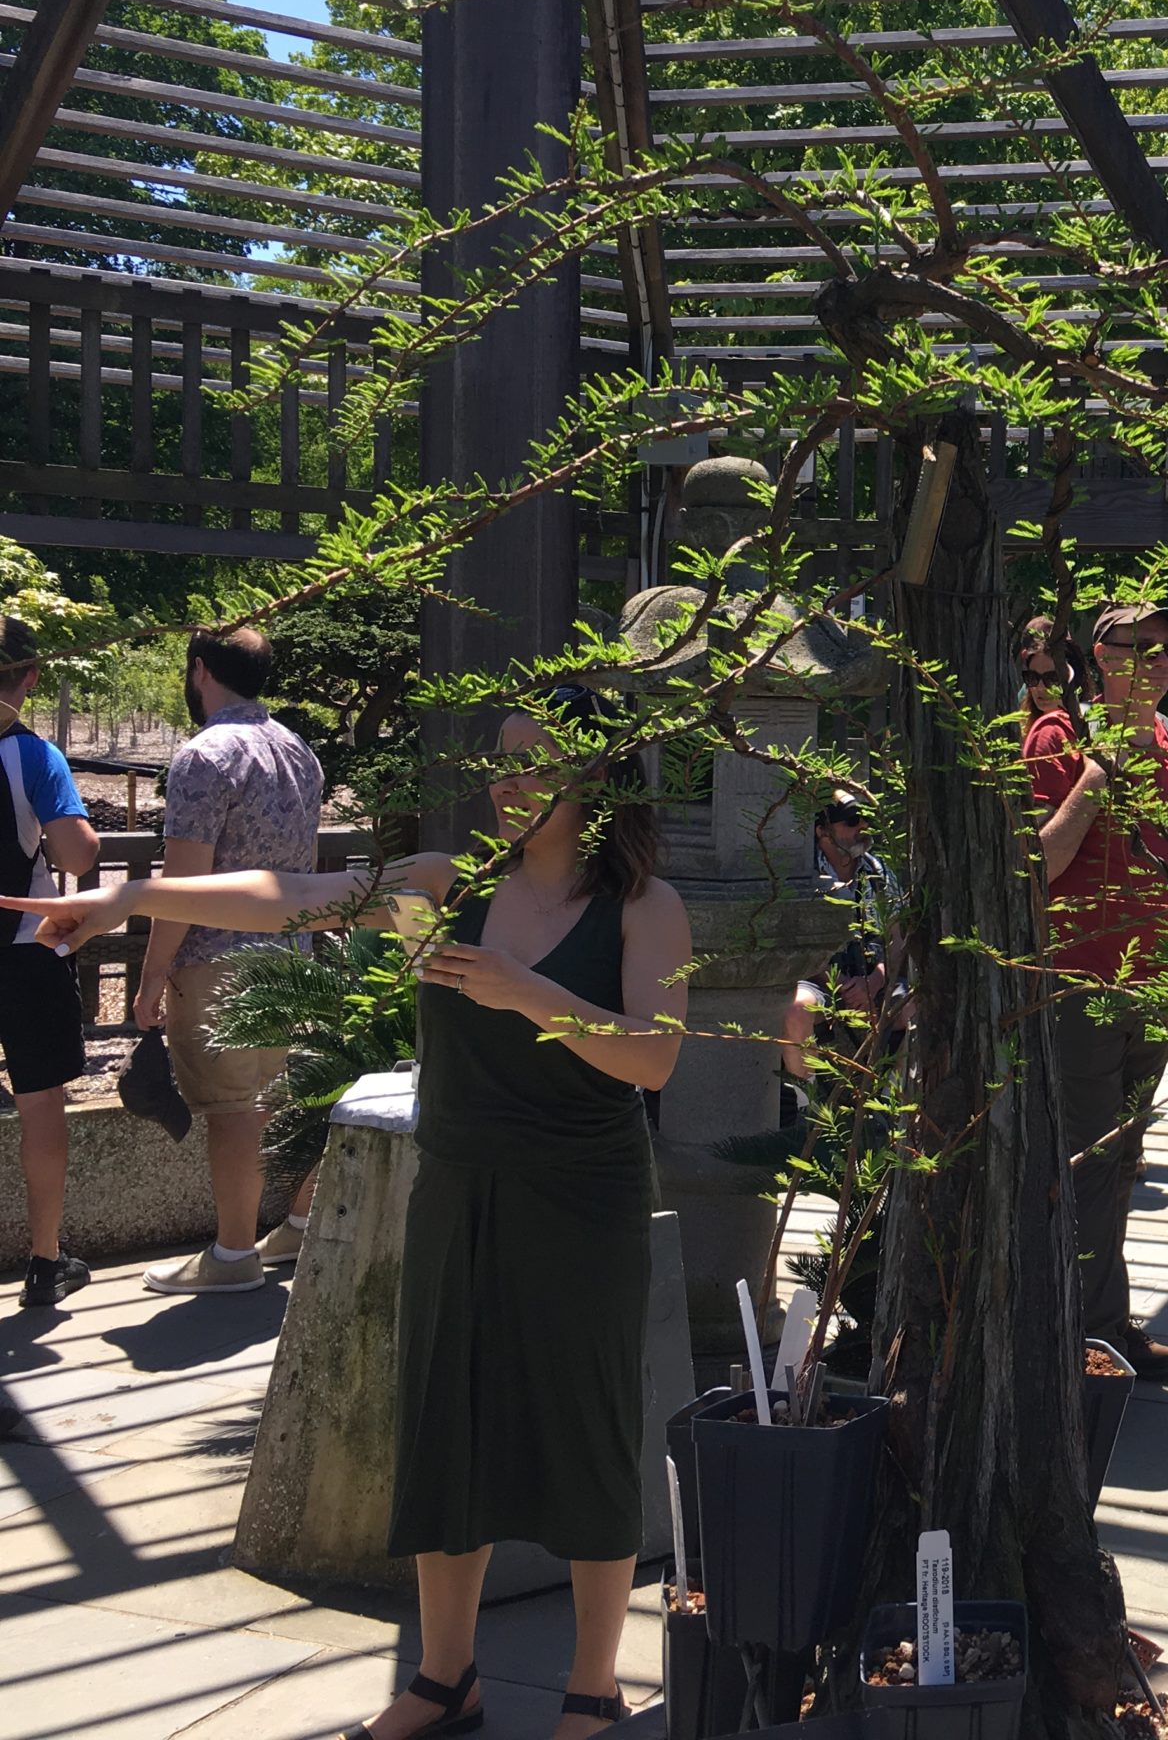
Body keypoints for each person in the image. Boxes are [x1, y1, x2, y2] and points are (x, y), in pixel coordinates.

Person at [6, 691, 690, 1740]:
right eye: (501, 761)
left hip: (582, 1199)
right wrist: (130, 897)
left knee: (586, 1426)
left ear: (598, 777)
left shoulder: (647, 908)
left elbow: (652, 1056)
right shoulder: (442, 885)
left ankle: (591, 1689)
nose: (508, 781)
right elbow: (290, 896)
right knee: (443, 1423)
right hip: (458, 1186)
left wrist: (523, 991)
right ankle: (444, 1676)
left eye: (536, 761)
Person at [1024, 601, 1168, 1381]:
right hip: (1081, 981)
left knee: (1123, 1157)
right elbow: (1038, 867)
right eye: (1139, 647)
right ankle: (1081, 1331)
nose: (1158, 660)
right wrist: (1100, 774)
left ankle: (1098, 1320)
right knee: (1086, 1159)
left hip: (1156, 980)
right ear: (1100, 655)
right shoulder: (1059, 736)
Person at [133, 626, 327, 1293]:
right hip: (295, 950)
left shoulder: (204, 755)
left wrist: (153, 973)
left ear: (199, 671)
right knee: (293, 1096)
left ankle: (233, 1254)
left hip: (220, 956)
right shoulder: (297, 749)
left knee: (233, 1107)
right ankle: (298, 1225)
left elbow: (184, 882)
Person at [0, 616, 101, 1309]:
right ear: (31, 676)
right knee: (41, 1105)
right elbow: (75, 854)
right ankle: (44, 1260)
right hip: (24, 947)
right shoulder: (33, 756)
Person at [782, 789, 907, 1082]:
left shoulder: (878, 871)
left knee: (915, 1004)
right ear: (822, 831)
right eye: (851, 822)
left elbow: (898, 938)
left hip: (873, 978)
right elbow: (795, 945)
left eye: (864, 820)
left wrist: (876, 978)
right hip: (821, 979)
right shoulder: (804, 874)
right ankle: (807, 1098)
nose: (862, 828)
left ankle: (895, 1096)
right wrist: (842, 986)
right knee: (796, 1009)